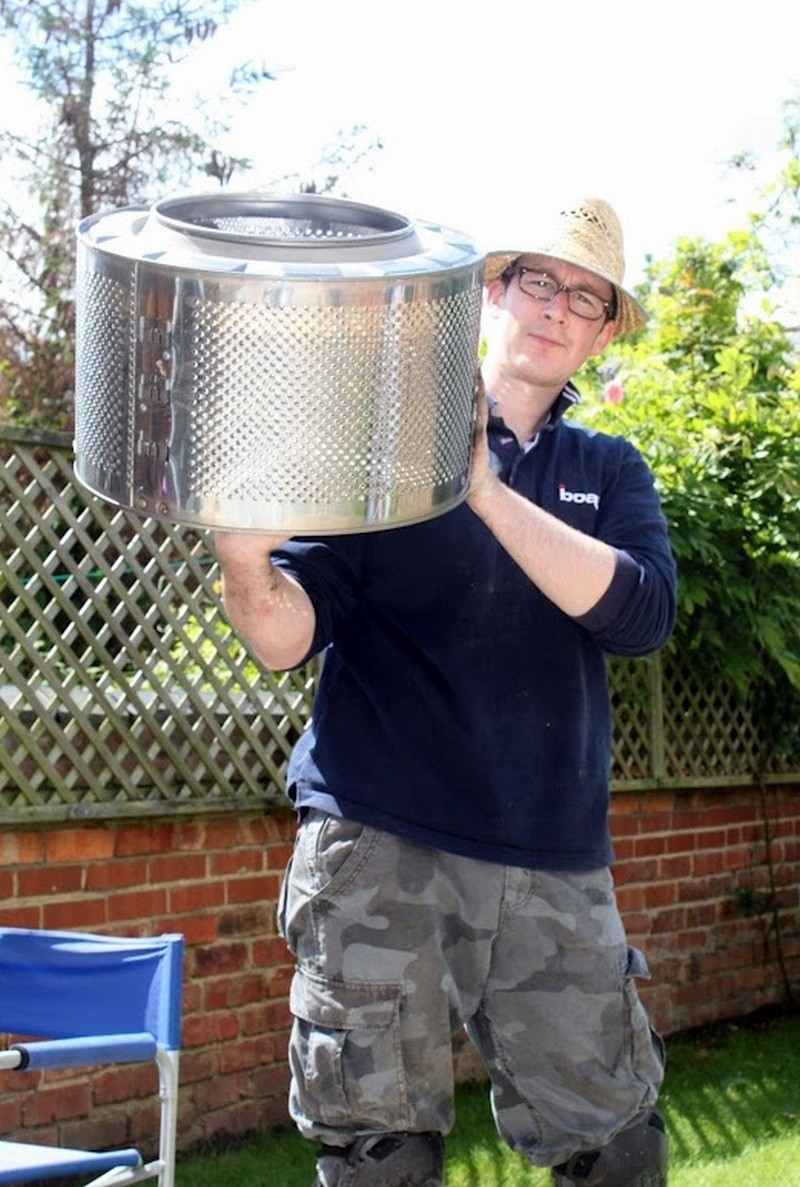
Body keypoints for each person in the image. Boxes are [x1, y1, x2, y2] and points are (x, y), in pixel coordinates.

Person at [213, 197, 677, 1187]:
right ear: (494, 293)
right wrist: (242, 558)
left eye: (583, 297)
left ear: (599, 333)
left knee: (617, 1151)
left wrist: (476, 485)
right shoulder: (373, 457)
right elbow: (284, 636)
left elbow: (636, 614)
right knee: (377, 1155)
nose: (554, 308)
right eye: (538, 282)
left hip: (545, 854)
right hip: (379, 841)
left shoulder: (609, 468)